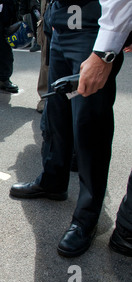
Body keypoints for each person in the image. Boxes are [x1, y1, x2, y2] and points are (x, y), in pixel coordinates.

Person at [9, 0, 124, 257]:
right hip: (60, 21)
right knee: (56, 114)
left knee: (89, 128)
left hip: (90, 26)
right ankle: (53, 181)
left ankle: (87, 217)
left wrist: (105, 51)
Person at [77, 0, 132, 257]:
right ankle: (128, 229)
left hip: (96, 28)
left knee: (91, 127)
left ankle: (97, 221)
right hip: (85, 26)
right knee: (65, 115)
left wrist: (105, 51)